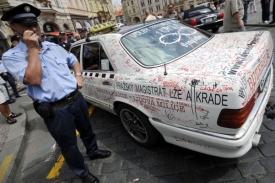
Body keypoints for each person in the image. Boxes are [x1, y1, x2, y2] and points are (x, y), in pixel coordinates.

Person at [1, 3, 111, 183]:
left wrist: (78, 76)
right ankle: (82, 173)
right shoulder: (12, 56)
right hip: (56, 109)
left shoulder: (53, 46)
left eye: (34, 24)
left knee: (87, 130)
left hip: (76, 99)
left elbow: (73, 59)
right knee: (69, 145)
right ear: (14, 29)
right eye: (26, 26)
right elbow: (34, 79)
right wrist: (32, 48)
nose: (33, 29)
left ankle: (93, 151)